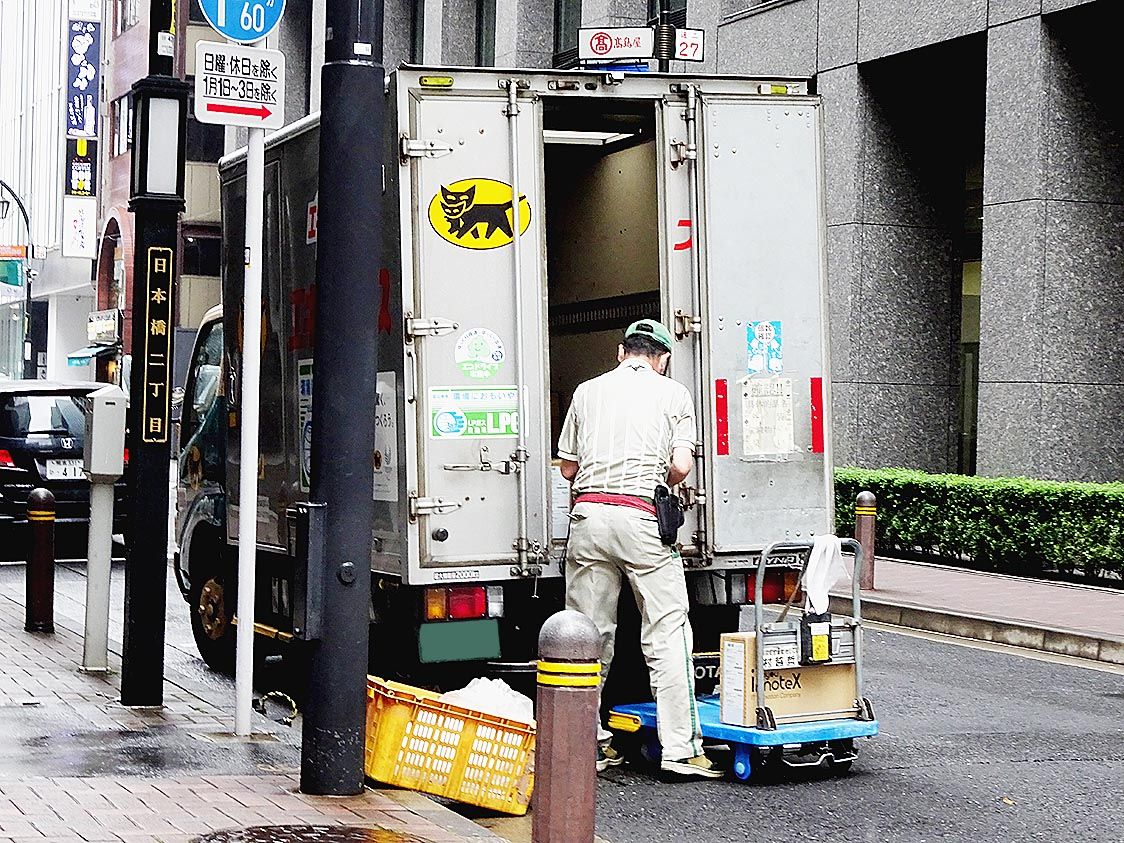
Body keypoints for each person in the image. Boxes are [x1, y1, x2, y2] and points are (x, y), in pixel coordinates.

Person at [557, 319, 720, 779]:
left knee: (587, 635)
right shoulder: (673, 394)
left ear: (620, 351)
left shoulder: (587, 391)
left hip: (589, 518)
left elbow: (568, 468)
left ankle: (585, 743)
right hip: (642, 518)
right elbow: (681, 466)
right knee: (667, 631)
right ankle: (680, 750)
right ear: (662, 358)